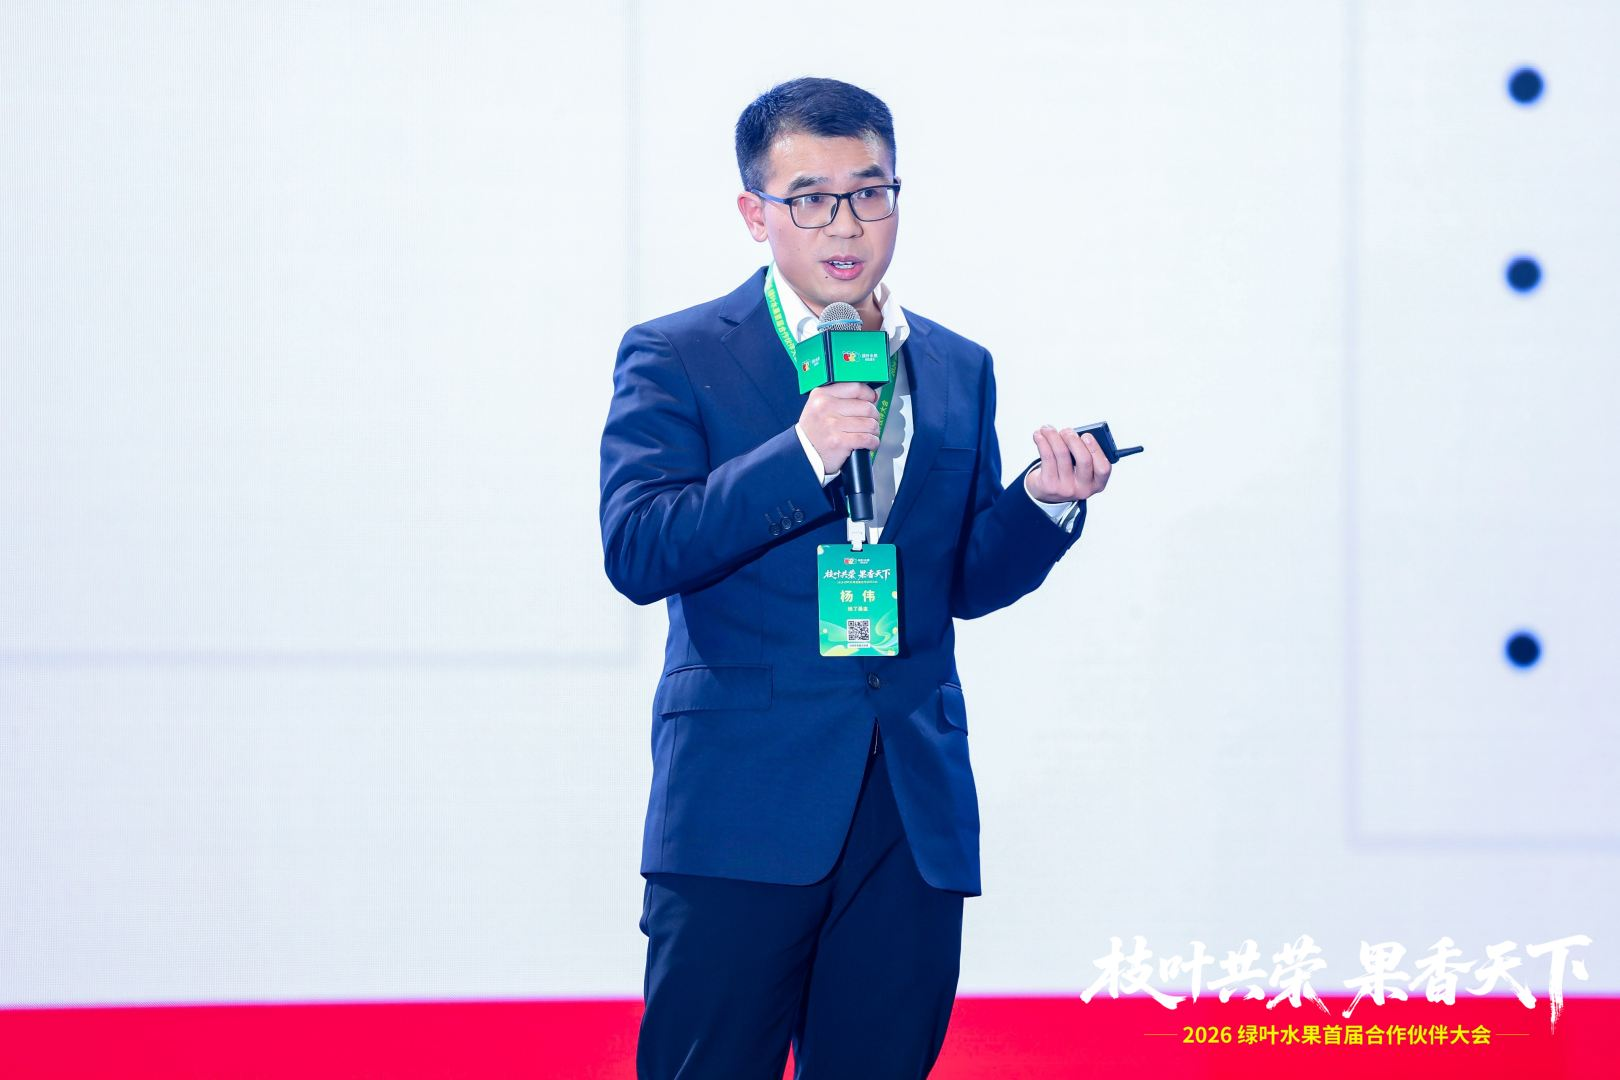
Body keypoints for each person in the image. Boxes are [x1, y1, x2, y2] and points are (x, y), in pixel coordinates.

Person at [599, 76, 1113, 1079]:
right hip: (742, 804)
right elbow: (640, 548)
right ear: (756, 213)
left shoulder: (957, 365)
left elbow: (961, 579)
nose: (846, 223)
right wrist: (801, 457)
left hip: (907, 808)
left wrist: (1042, 505)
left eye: (869, 193)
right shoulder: (678, 354)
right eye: (810, 198)